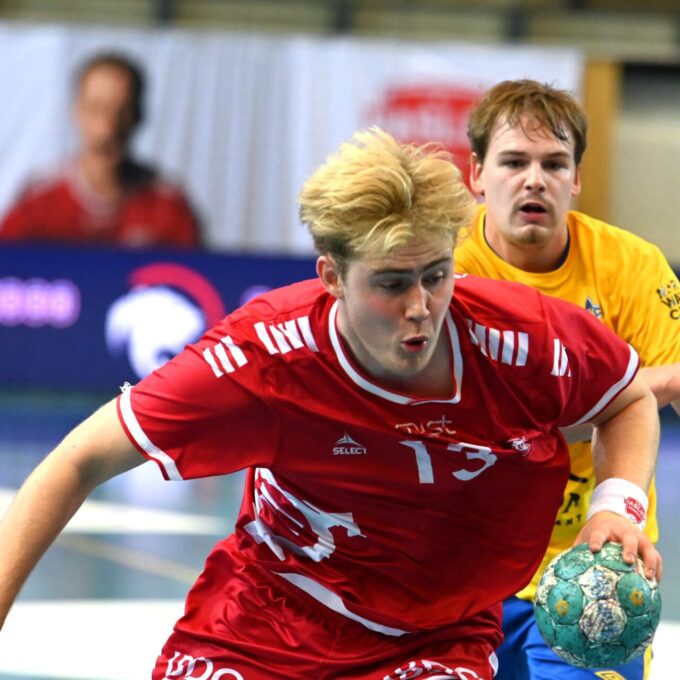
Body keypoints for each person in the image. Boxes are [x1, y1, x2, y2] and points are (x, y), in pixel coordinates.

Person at [0, 128, 662, 680]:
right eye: (392, 283)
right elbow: (77, 460)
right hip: (261, 623)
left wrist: (618, 506)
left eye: (436, 275)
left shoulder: (524, 338)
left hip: (435, 638)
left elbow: (627, 397)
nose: (421, 306)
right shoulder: (260, 359)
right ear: (331, 277)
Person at [455, 79, 680, 680]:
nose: (534, 180)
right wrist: (614, 395)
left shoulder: (631, 266)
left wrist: (623, 396)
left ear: (576, 178)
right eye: (513, 162)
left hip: (595, 571)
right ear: (477, 174)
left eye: (554, 164)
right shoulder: (440, 266)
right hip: (458, 569)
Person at [0, 52, 201, 248]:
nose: (108, 128)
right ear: (77, 112)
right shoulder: (40, 202)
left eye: (122, 111)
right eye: (96, 108)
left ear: (139, 116)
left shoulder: (166, 205)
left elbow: (195, 265)